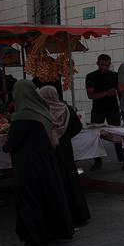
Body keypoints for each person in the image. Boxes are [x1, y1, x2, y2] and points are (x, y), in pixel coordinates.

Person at [3, 80, 74, 246]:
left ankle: (35, 241)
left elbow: (11, 145)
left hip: (28, 168)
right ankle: (56, 232)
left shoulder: (21, 118)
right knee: (48, 197)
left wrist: (6, 142)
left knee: (30, 203)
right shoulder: (43, 113)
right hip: (46, 165)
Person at [39, 86, 90, 226]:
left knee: (56, 182)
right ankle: (80, 214)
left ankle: (63, 217)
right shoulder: (66, 109)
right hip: (66, 150)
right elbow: (78, 127)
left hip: (51, 151)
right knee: (71, 181)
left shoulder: (43, 111)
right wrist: (65, 137)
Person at [85, 54, 124, 171]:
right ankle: (97, 161)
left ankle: (122, 158)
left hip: (113, 108)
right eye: (102, 65)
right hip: (98, 109)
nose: (105, 67)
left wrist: (122, 106)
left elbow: (120, 92)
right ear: (98, 63)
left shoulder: (115, 76)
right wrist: (106, 93)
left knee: (117, 134)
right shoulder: (91, 76)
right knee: (96, 135)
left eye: (107, 65)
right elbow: (90, 95)